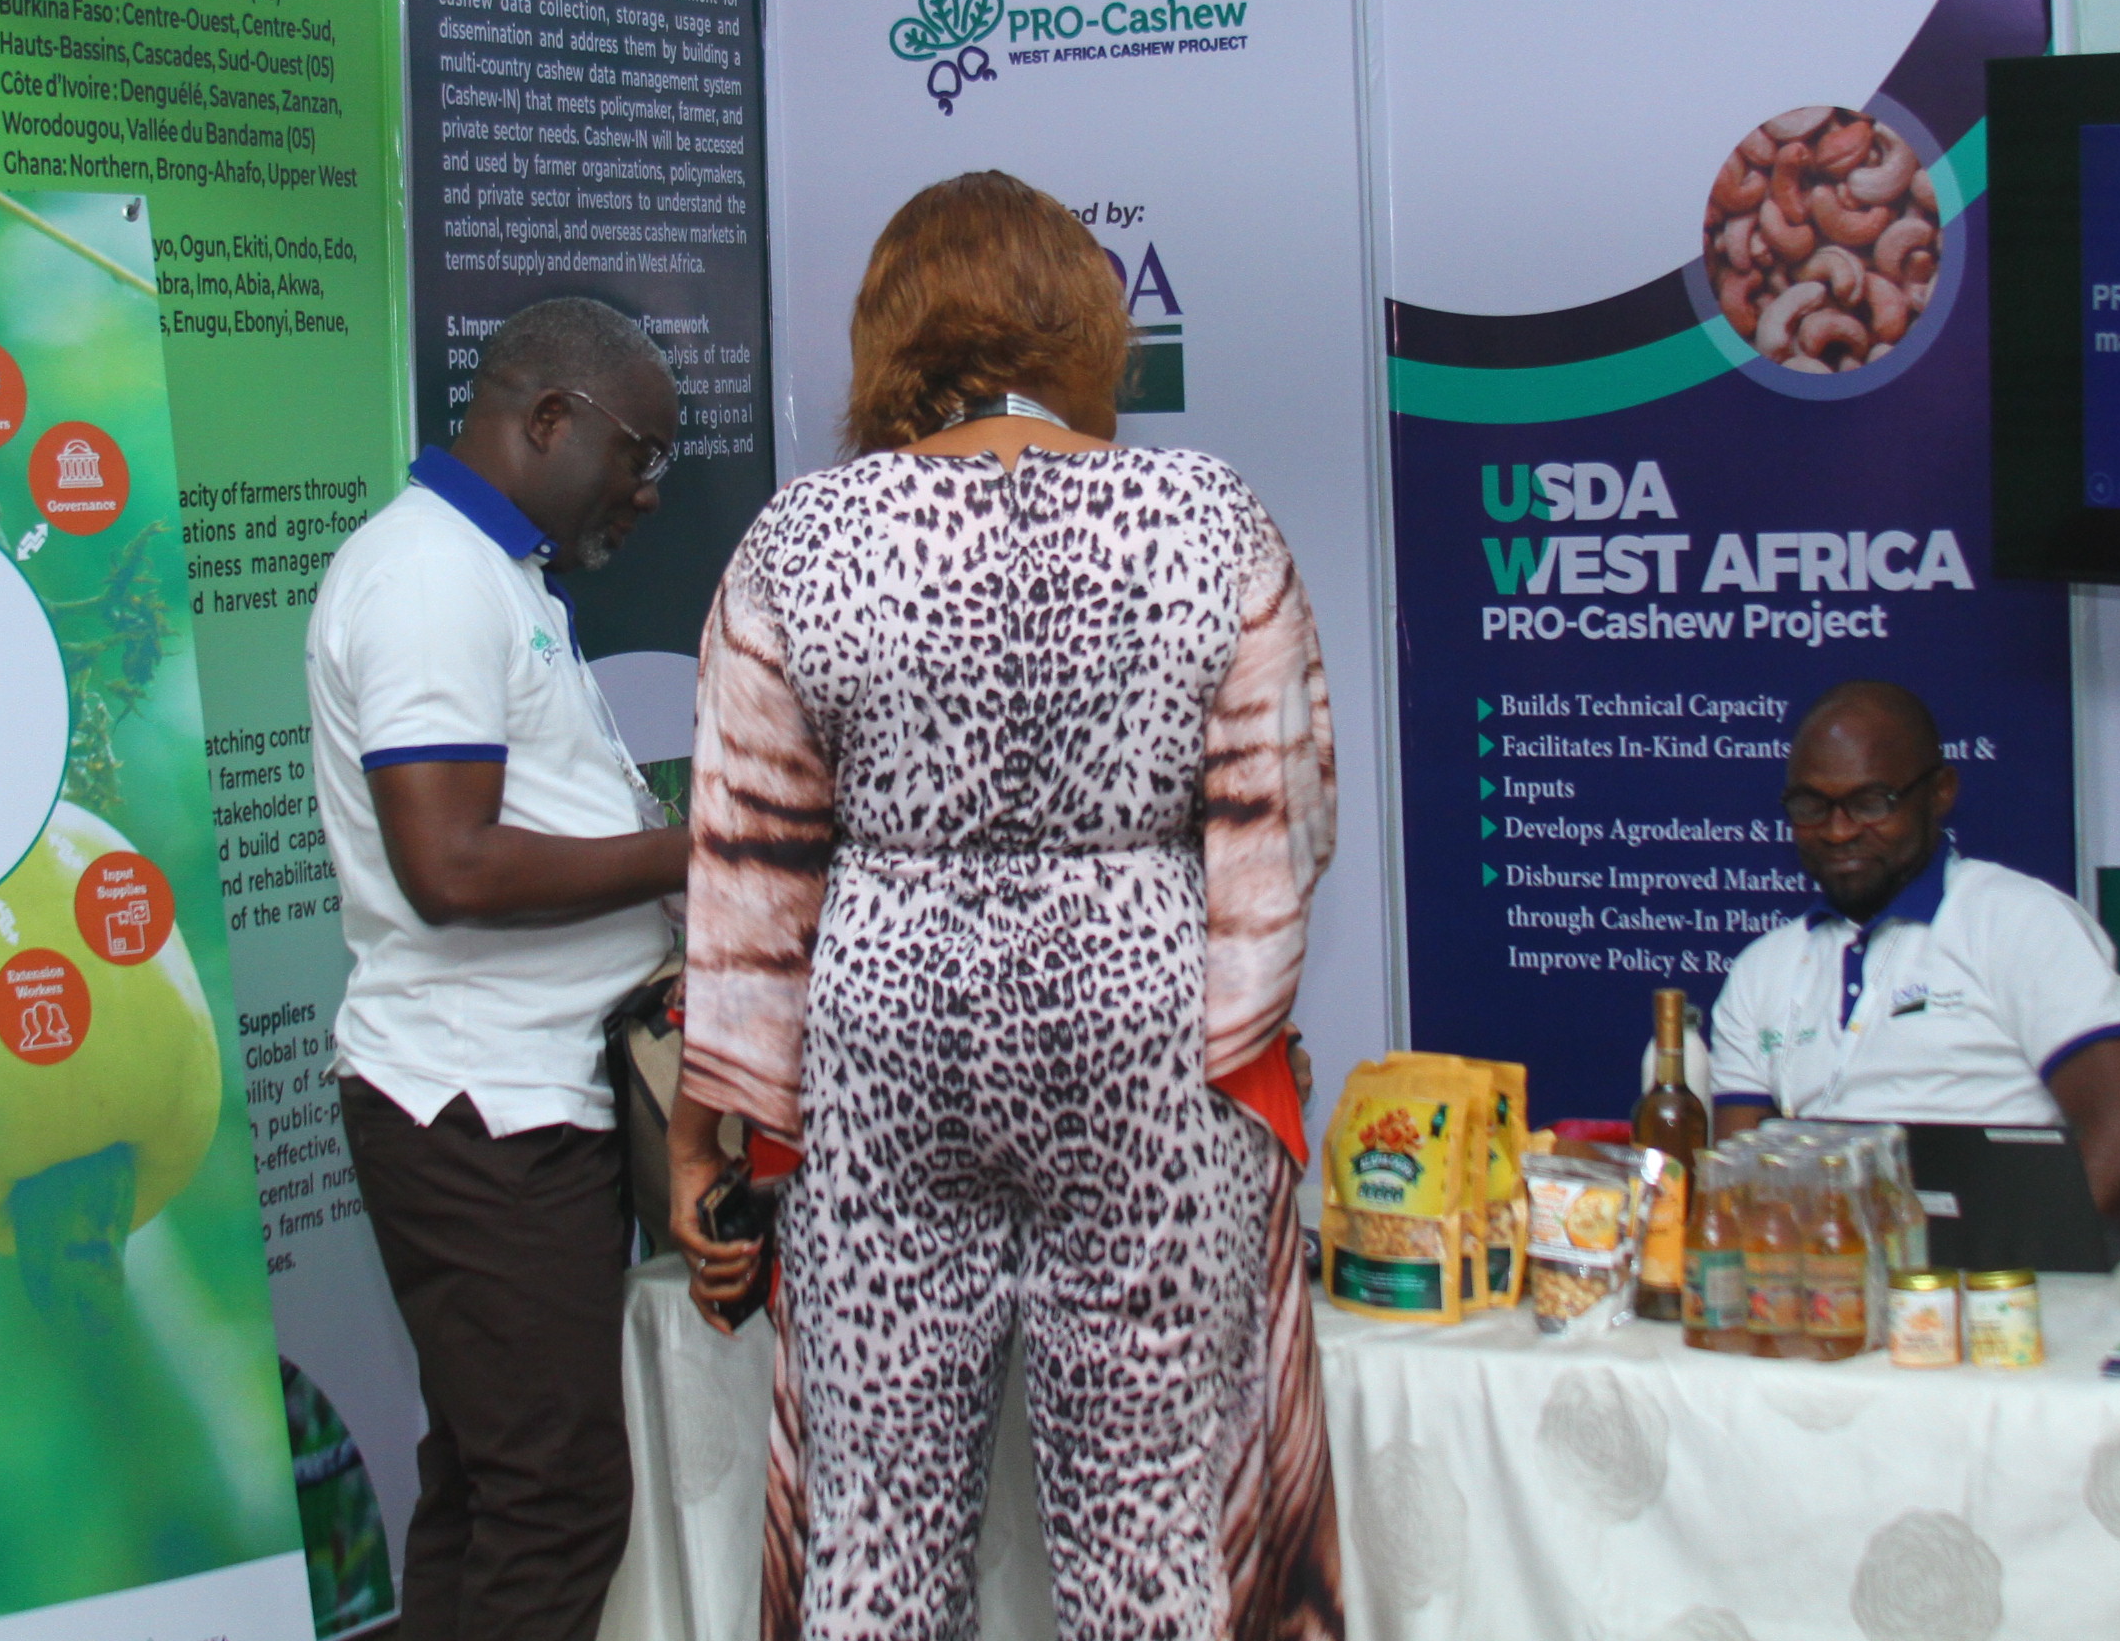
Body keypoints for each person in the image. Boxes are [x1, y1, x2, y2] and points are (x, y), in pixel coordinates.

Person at [671, 170, 1343, 1641]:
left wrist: (701, 1134)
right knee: (1152, 1531)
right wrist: (1236, 1032)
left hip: (886, 1031)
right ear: (1086, 327)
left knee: (873, 1528)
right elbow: (1285, 820)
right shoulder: (1206, 515)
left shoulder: (801, 538)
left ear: (889, 335)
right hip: (1144, 1028)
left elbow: (745, 869)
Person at [306, 295, 690, 1641]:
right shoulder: (426, 576)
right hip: (478, 1113)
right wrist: (697, 851)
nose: (649, 493)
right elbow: (451, 865)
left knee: (485, 1490)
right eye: (641, 455)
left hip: (518, 1101)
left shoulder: (494, 571)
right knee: (556, 1503)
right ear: (550, 419)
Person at [1707, 678, 2120, 1226]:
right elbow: (1734, 1187)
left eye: (1869, 803)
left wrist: (2020, 1263)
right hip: (1825, 1266)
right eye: (1812, 806)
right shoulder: (1762, 970)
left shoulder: (2018, 921)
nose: (1837, 832)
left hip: (2003, 1258)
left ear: (1940, 792)